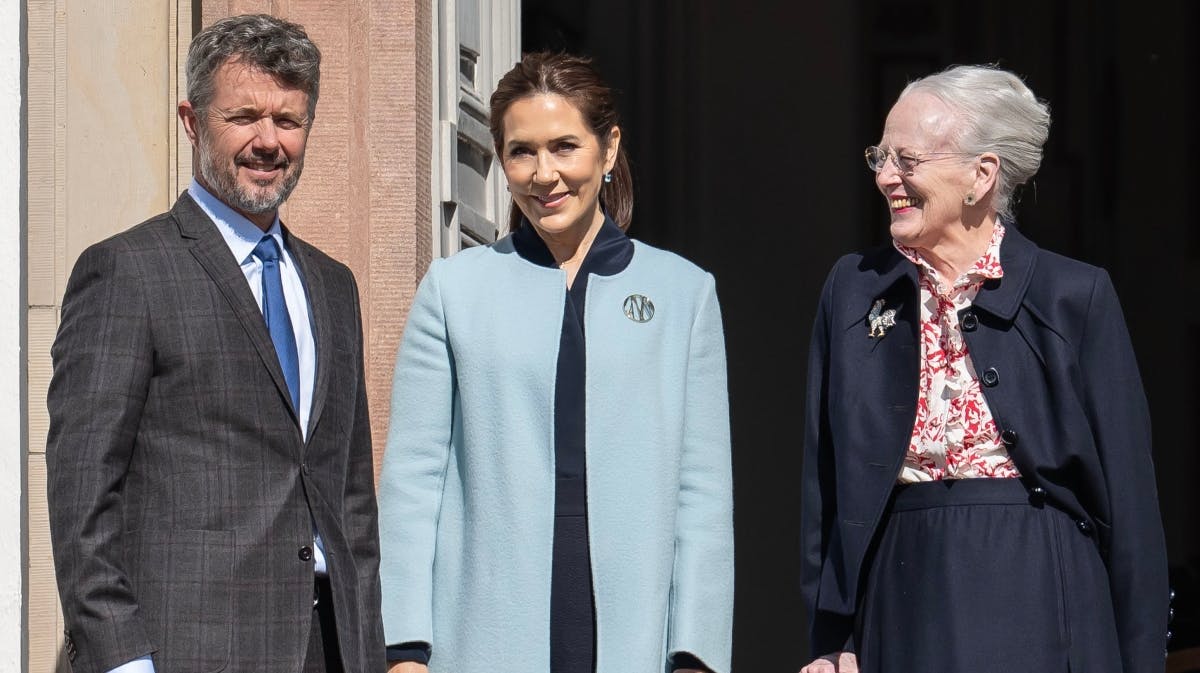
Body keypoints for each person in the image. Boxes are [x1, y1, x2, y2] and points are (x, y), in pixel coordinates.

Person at [800, 65, 1169, 673]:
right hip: (902, 595)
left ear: (981, 175)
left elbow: (1131, 509)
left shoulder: (1075, 297)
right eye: (880, 156)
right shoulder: (852, 290)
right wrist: (830, 640)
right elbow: (825, 485)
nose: (886, 176)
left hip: (1043, 595)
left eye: (907, 160)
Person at [46, 14, 384, 673]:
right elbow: (83, 486)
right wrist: (121, 657)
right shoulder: (127, 271)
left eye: (287, 120)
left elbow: (350, 498)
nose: (268, 141)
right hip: (183, 648)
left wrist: (369, 645)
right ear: (192, 120)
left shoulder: (332, 285)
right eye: (244, 117)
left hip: (330, 647)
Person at [377, 52, 734, 673]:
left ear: (608, 147)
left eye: (565, 146)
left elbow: (701, 492)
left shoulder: (685, 293)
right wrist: (404, 647)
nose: (545, 174)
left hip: (635, 631)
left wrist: (696, 652)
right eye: (522, 151)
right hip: (482, 628)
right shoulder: (452, 291)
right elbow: (412, 481)